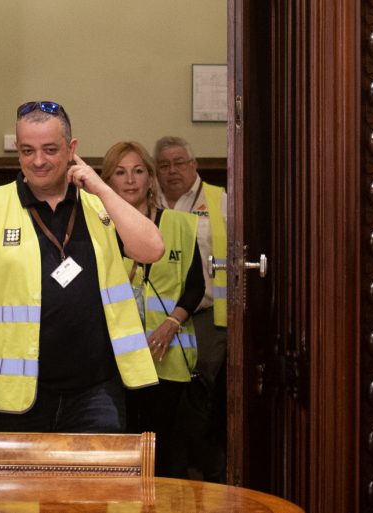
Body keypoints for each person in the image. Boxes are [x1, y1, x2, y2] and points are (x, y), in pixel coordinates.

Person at [0, 101, 164, 434]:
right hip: (16, 396)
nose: (39, 161)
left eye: (50, 149)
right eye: (27, 150)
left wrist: (101, 187)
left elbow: (152, 249)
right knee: (18, 488)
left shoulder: (99, 205)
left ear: (72, 149)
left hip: (95, 392)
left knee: (97, 487)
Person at [101, 141, 204, 476]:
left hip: (168, 356)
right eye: (120, 172)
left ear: (150, 178)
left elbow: (194, 287)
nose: (130, 180)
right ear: (109, 181)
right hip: (114, 357)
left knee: (164, 444)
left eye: (138, 170)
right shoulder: (97, 229)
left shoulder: (178, 225)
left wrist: (172, 324)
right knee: (122, 443)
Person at [153, 135, 228, 482]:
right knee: (168, 402)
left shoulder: (219, 200)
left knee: (203, 400)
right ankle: (173, 478)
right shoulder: (147, 200)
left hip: (207, 317)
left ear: (194, 165)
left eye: (179, 162)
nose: (172, 171)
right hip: (157, 318)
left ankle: (214, 477)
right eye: (164, 164)